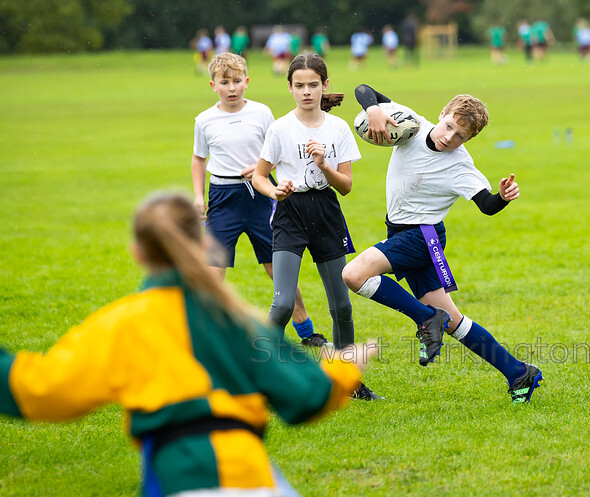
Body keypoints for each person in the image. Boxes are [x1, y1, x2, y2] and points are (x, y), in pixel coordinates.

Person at [0, 191, 376, 496]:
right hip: (256, 479)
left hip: (181, 480)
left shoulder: (122, 324)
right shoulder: (236, 319)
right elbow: (307, 396)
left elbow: (39, 391)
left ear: (139, 253)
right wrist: (345, 366)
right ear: (203, 243)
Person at [341, 84, 544, 404]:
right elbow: (364, 89)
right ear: (441, 115)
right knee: (451, 320)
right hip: (407, 234)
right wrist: (374, 110)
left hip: (422, 237)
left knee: (354, 275)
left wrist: (503, 197)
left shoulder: (460, 165)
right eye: (449, 126)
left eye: (460, 136)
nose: (450, 137)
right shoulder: (413, 124)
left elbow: (487, 205)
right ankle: (518, 372)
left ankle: (424, 318)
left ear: (468, 140)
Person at [251, 53, 379, 400]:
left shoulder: (337, 129)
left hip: (325, 213)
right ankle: (257, 375)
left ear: (324, 86)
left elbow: (346, 186)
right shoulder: (279, 128)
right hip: (289, 214)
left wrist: (324, 164)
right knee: (280, 305)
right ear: (290, 88)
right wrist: (275, 190)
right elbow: (260, 177)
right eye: (299, 85)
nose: (306, 91)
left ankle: (348, 382)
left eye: (313, 85)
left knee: (341, 306)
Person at [191, 52, 326, 349]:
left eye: (237, 81)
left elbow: (279, 150)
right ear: (213, 85)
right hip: (223, 198)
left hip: (261, 195)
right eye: (224, 82)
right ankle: (205, 335)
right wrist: (199, 197)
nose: (231, 87)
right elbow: (199, 159)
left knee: (277, 267)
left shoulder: (262, 113)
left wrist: (265, 170)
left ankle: (306, 331)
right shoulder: (204, 120)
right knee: (213, 270)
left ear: (247, 82)